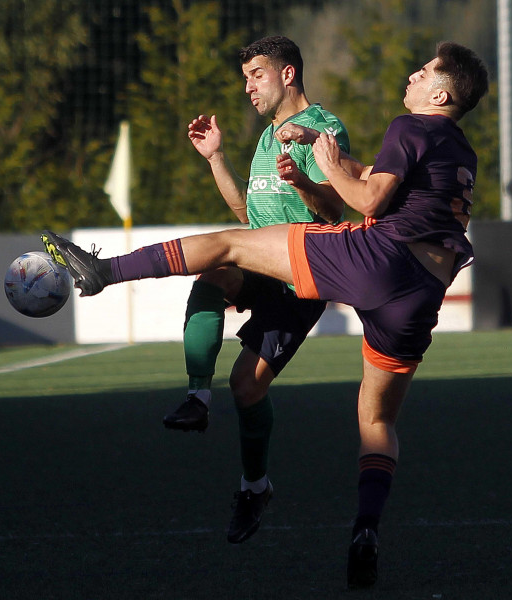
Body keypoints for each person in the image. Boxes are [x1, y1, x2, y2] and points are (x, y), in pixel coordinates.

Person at [41, 41, 488, 588]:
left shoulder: (409, 125)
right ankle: (365, 529)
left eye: (424, 72)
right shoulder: (458, 149)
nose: (413, 76)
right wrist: (323, 156)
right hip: (421, 294)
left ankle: (105, 274)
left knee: (226, 247)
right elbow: (383, 176)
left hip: (379, 260)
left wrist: (323, 168)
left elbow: (368, 200)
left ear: (439, 93)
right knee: (377, 420)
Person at [163, 36, 350, 545]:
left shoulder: (322, 129)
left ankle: (255, 486)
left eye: (257, 74)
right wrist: (216, 158)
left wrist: (303, 183)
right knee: (215, 270)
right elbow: (247, 216)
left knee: (247, 387)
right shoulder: (270, 137)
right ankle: (198, 396)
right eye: (245, 76)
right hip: (259, 261)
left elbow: (334, 211)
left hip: (300, 275)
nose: (248, 86)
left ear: (288, 74)